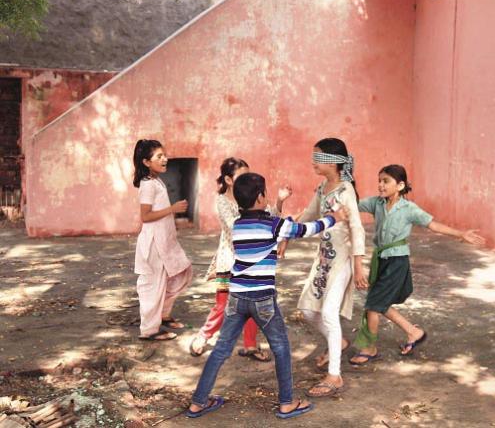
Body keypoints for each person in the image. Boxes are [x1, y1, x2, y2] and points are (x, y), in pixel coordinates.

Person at [187, 172, 348, 420]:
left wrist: (281, 209)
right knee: (281, 348)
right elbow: (305, 229)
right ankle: (287, 402)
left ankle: (198, 402)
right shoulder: (273, 224)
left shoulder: (239, 225)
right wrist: (332, 218)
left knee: (221, 349)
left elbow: (278, 224)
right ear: (261, 197)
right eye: (266, 193)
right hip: (262, 299)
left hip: (237, 297)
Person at [349, 164, 485, 364]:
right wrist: (348, 180)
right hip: (381, 259)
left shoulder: (409, 208)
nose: (380, 185)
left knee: (374, 305)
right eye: (379, 181)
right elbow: (354, 203)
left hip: (397, 261)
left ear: (400, 185)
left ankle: (369, 348)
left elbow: (432, 224)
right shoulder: (377, 204)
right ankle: (414, 332)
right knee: (379, 303)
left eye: (386, 181)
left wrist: (461, 234)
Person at [189, 157, 291, 360]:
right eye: (242, 176)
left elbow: (271, 216)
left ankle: (251, 345)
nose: (248, 179)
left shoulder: (254, 197)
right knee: (223, 305)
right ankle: (204, 335)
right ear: (228, 179)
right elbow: (233, 224)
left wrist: (279, 201)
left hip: (253, 260)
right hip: (229, 260)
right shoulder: (222, 201)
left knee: (252, 304)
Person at [293, 138, 366, 398]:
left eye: (318, 157)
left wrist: (358, 266)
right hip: (324, 259)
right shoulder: (323, 187)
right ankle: (339, 342)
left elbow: (357, 229)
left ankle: (334, 376)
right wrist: (286, 236)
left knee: (328, 313)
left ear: (334, 162)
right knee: (307, 310)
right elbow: (309, 214)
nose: (313, 161)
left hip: (343, 260)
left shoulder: (346, 191)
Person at [132, 139, 192, 341]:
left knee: (180, 272)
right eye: (159, 156)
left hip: (165, 241)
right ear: (146, 162)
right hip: (154, 244)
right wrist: (172, 209)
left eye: (164, 155)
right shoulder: (147, 184)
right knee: (152, 285)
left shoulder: (156, 180)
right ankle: (149, 329)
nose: (165, 158)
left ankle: (163, 315)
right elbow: (145, 216)